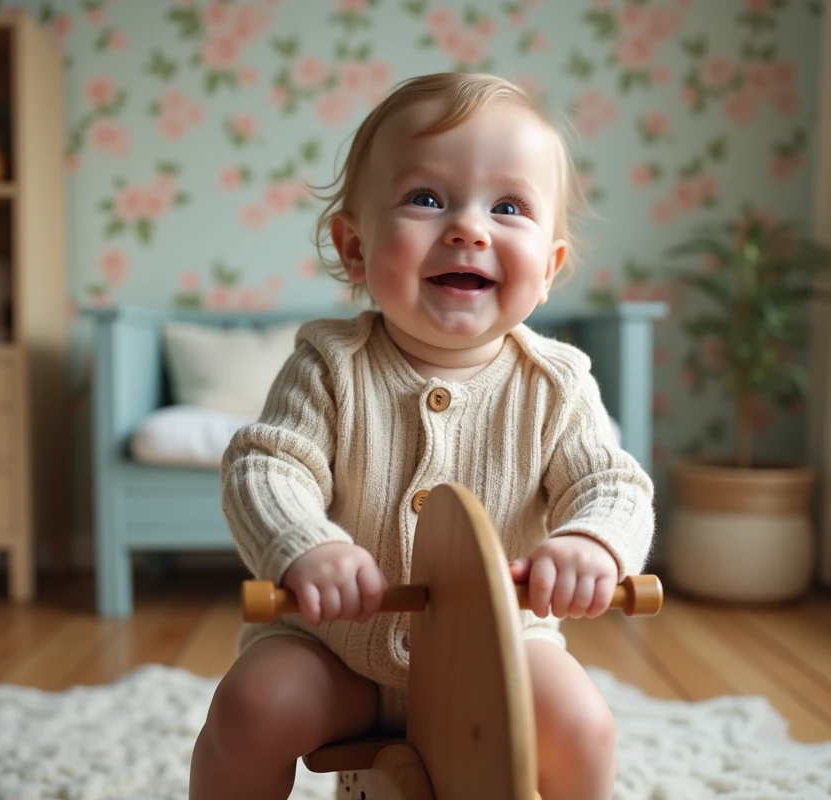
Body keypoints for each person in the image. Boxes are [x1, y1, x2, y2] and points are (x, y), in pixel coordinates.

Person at [190, 72, 655, 800]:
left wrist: (592, 542)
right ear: (353, 246)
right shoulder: (329, 366)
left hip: (503, 649)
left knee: (584, 727)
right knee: (253, 706)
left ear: (550, 271)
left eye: (508, 206)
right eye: (426, 199)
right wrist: (308, 546)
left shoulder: (556, 383)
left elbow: (613, 483)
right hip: (336, 651)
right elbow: (265, 467)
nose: (469, 227)